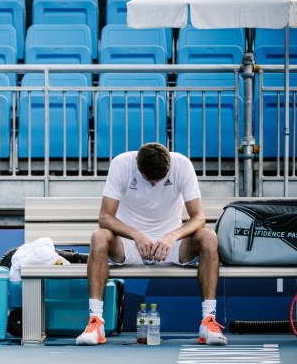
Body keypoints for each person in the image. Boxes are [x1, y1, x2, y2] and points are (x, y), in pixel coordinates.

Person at [75, 143, 228, 346]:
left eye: (160, 180)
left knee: (208, 237)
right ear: (137, 166)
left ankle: (208, 321)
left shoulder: (182, 165)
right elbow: (105, 217)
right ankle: (96, 322)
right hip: (130, 245)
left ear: (169, 165)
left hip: (171, 246)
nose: (155, 184)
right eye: (149, 180)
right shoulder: (121, 164)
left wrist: (172, 236)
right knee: (99, 237)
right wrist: (136, 235)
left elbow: (199, 217)